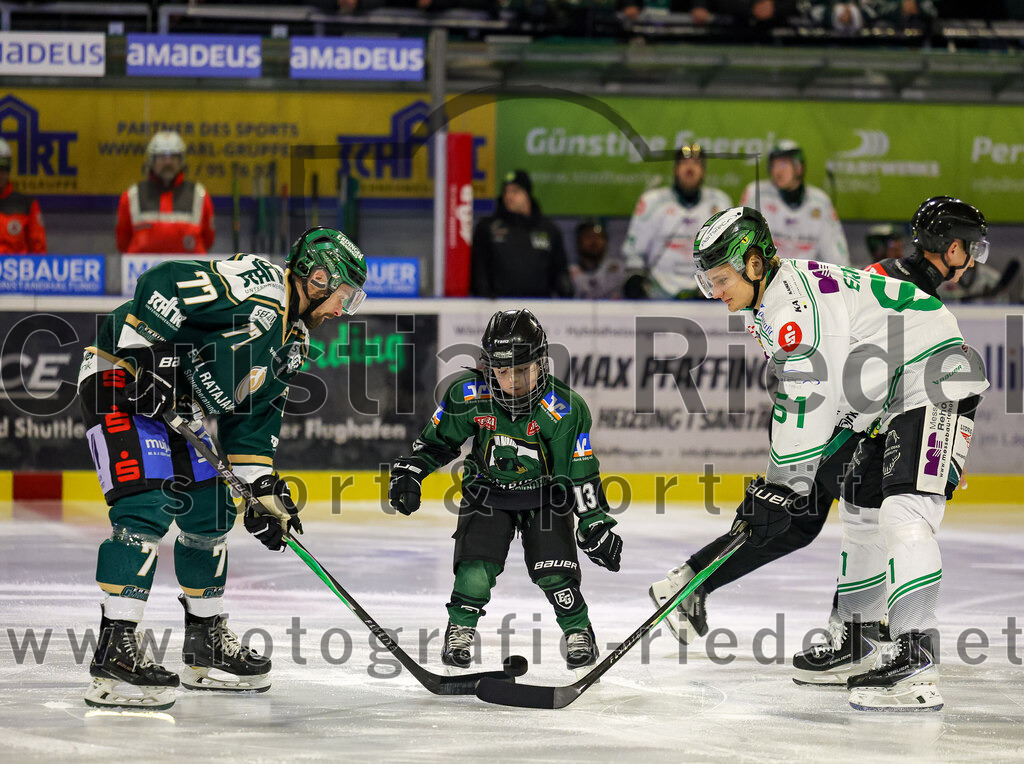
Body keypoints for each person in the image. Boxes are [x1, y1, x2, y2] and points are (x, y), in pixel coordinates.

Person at [658, 206, 987, 711]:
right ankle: (859, 642)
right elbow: (816, 396)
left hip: (935, 379)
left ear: (752, 264)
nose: (715, 291)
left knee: (905, 514)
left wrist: (784, 485)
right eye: (707, 281)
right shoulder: (774, 300)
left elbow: (810, 393)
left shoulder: (793, 303)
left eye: (720, 278)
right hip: (887, 397)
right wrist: (780, 484)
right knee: (862, 516)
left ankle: (917, 659)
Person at [78, 226, 368, 710]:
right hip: (121, 379)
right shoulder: (257, 283)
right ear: (318, 278)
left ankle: (204, 644)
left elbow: (250, 430)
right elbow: (164, 280)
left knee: (211, 511)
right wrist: (145, 356)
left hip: (177, 405)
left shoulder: (292, 343)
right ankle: (115, 650)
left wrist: (262, 495)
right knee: (147, 507)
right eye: (344, 296)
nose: (343, 309)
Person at [388, 309, 623, 674]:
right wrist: (413, 471)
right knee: (475, 568)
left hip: (545, 496)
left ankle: (578, 631)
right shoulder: (466, 394)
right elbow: (439, 442)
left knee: (554, 570)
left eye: (523, 369)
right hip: (487, 493)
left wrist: (594, 522)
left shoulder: (564, 409)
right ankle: (460, 629)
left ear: (540, 364)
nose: (512, 381)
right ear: (487, 368)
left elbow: (579, 471)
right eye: (502, 370)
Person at [622, 144, 732, 299]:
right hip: (658, 292)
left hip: (705, 293)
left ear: (704, 172)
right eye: (684, 163)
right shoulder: (653, 201)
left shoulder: (720, 202)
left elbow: (729, 252)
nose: (690, 168)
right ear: (675, 169)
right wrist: (635, 277)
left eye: (696, 164)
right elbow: (634, 252)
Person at [740, 141, 849, 266]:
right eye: (773, 166)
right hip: (766, 277)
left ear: (799, 168)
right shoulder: (756, 193)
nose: (776, 171)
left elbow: (837, 257)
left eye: (782, 165)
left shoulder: (820, 202)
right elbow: (741, 243)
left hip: (805, 279)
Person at [471, 170, 573, 298]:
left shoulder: (549, 230)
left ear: (527, 194)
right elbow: (478, 268)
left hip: (540, 307)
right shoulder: (488, 228)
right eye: (506, 191)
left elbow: (559, 270)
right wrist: (483, 295)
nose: (509, 196)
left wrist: (566, 292)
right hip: (498, 306)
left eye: (515, 191)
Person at [116, 131, 216, 255]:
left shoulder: (199, 195)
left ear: (182, 161)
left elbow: (208, 240)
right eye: (162, 157)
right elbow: (122, 242)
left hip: (188, 272)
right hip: (144, 272)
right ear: (151, 160)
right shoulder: (132, 196)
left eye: (173, 157)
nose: (168, 162)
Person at [0, 137, 47, 254]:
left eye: (3, 168)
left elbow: (39, 251)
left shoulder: (26, 204)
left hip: (17, 271)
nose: (0, 173)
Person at [570, 218, 625, 300]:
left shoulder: (618, 269)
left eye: (599, 236)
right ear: (578, 241)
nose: (594, 241)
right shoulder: (570, 273)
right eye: (588, 236)